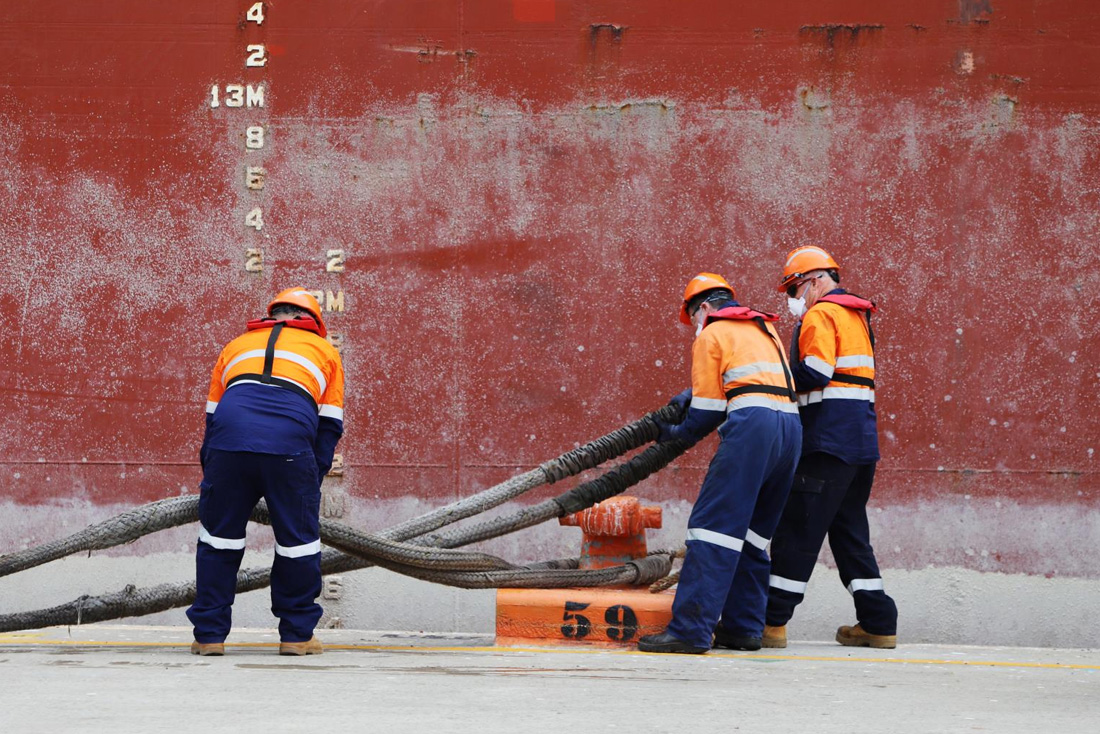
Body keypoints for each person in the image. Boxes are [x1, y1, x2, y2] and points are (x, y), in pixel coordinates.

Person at [637, 273, 802, 654]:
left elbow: (708, 412)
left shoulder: (712, 332)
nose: (696, 324)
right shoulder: (762, 329)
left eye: (694, 316)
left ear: (705, 308)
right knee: (753, 537)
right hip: (790, 431)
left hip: (753, 429)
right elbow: (751, 380)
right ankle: (744, 629)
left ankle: (690, 631)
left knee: (711, 530)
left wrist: (670, 432)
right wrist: (687, 396)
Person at [186, 288, 345, 656]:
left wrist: (215, 473)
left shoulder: (236, 345)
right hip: (289, 448)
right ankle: (296, 635)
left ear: (271, 315)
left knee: (218, 541)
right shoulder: (325, 352)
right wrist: (309, 478)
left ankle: (209, 636)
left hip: (229, 445)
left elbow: (212, 419)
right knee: (297, 545)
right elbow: (330, 425)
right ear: (315, 323)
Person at [763, 246, 898, 649]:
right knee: (849, 533)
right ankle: (879, 621)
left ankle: (770, 622)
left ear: (817, 279)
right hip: (859, 445)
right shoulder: (856, 315)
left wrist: (774, 376)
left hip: (826, 444)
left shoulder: (821, 314)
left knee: (797, 530)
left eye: (795, 287)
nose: (793, 298)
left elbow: (817, 373)